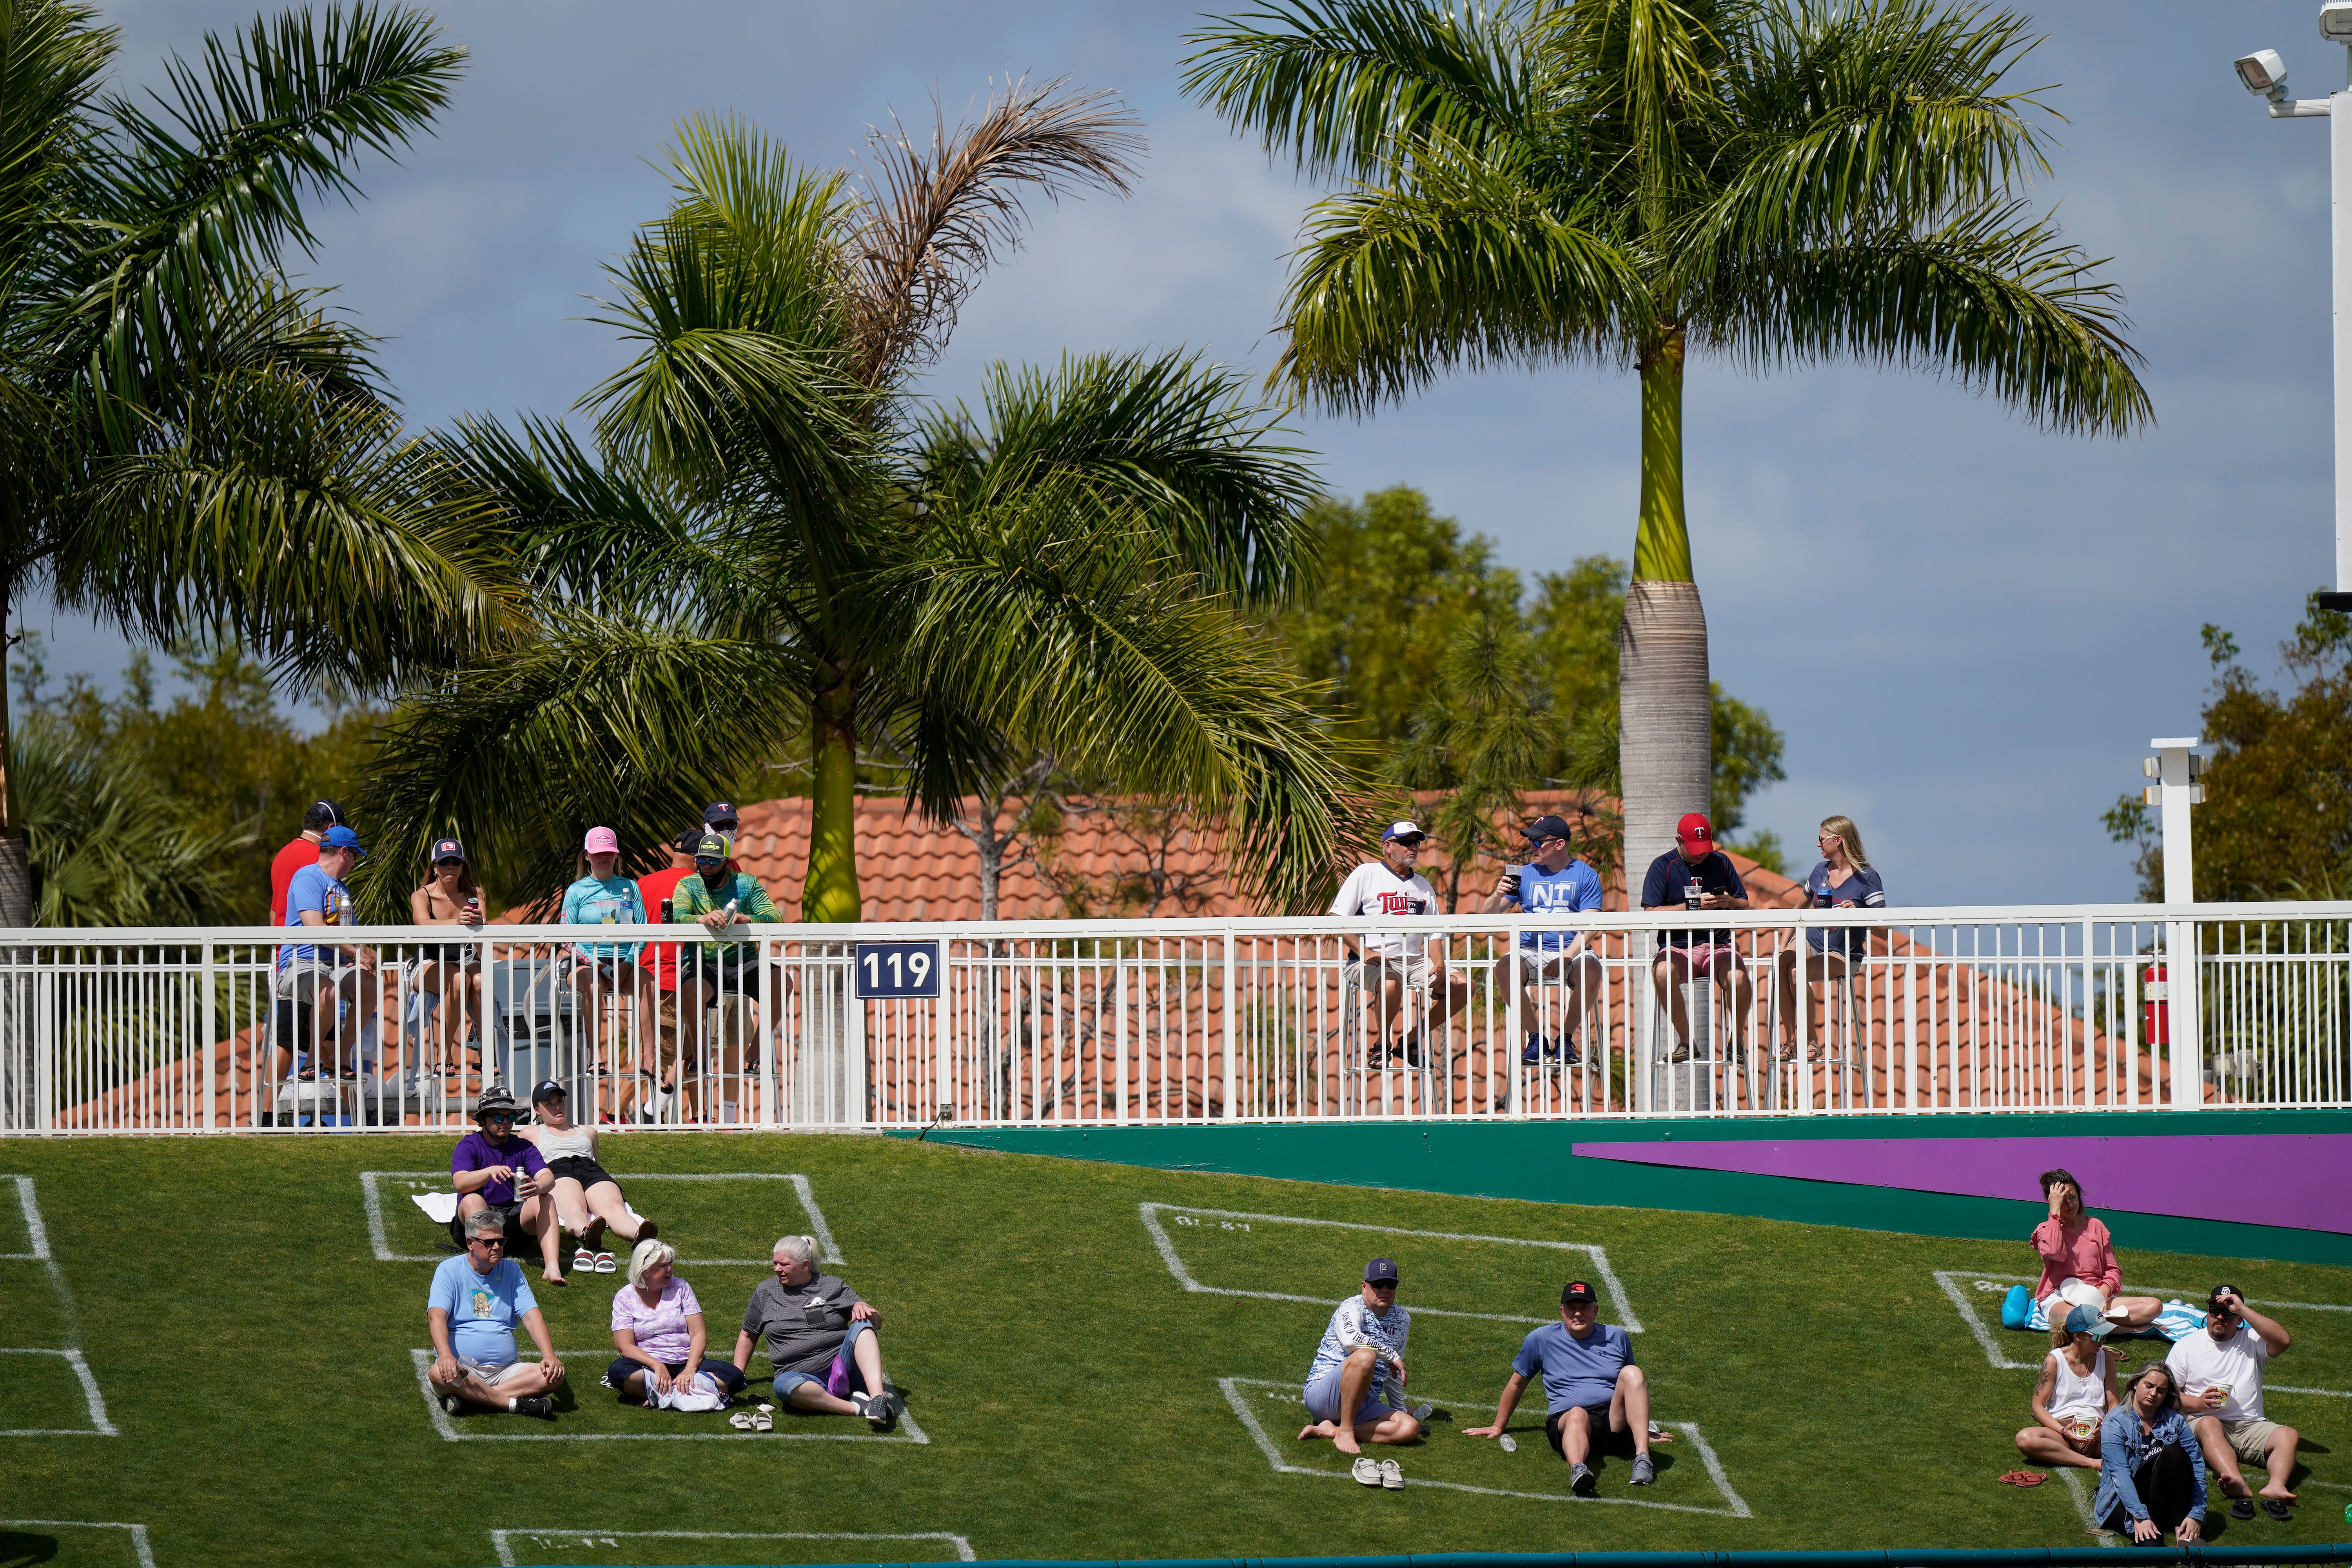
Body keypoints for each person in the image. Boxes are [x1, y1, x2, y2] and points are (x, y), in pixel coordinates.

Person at [1465, 1279, 1662, 1495]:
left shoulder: (1617, 1337)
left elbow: (1633, 1388)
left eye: (1584, 1308)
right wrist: (1498, 1426)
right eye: (1572, 1309)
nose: (1578, 1314)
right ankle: (1578, 1470)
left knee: (1633, 1372)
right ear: (1562, 1312)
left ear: (1595, 1311)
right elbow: (1517, 1383)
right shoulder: (1541, 1339)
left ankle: (1643, 1459)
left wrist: (1643, 1430)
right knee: (1578, 1414)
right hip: (1568, 1421)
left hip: (1612, 1421)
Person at [1329, 822, 1467, 1065]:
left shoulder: (1423, 885)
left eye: (1416, 843)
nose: (1413, 848)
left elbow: (1434, 934)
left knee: (1464, 985)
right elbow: (1336, 920)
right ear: (1388, 847)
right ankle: (1382, 1045)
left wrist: (1439, 964)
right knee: (1391, 982)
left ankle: (1411, 1040)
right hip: (1369, 960)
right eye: (1406, 843)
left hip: (1415, 961)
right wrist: (1365, 952)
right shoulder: (1366, 874)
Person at [731, 1235, 893, 1430]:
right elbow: (748, 1334)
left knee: (863, 1323)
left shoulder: (831, 1285)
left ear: (805, 1265)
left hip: (843, 1365)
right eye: (775, 1263)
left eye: (784, 1264)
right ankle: (857, 1408)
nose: (777, 1269)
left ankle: (877, 1400)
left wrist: (864, 1307)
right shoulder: (765, 1292)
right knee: (783, 1386)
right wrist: (737, 1376)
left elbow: (876, 1324)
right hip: (799, 1374)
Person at [1481, 815, 1606, 1066]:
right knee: (1505, 968)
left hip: (1573, 950)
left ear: (1559, 844)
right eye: (1531, 842)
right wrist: (1497, 895)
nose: (1532, 847)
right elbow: (1488, 917)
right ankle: (1537, 1039)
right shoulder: (1524, 874)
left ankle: (1566, 1040)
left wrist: (1567, 957)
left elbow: (1590, 925)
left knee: (1592, 971)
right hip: (1531, 949)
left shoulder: (1586, 874)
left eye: (1539, 842)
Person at [2169, 1284, 2299, 1519]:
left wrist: (2243, 1309)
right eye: (2214, 1311)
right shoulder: (2186, 1347)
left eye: (2228, 1313)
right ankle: (2234, 1479)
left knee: (2288, 1435)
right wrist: (2199, 1403)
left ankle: (2277, 1486)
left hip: (2249, 1425)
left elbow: (2284, 1341)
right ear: (2207, 1313)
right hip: (2202, 1422)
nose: (2220, 1317)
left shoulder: (2251, 1339)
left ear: (2239, 1319)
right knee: (2210, 1425)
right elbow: (2170, 1397)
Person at [426, 1208, 564, 1421]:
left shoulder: (512, 1270)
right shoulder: (449, 1270)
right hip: (463, 1369)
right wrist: (445, 1356)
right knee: (438, 1373)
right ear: (471, 1243)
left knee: (554, 1376)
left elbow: (531, 1316)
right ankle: (517, 1405)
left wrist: (549, 1355)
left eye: (501, 1241)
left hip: (507, 1369)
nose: (497, 1247)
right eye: (489, 1243)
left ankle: (473, 1399)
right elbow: (437, 1316)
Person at [1639, 812, 1754, 1063]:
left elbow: (1744, 904)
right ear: (1679, 841)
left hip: (1719, 944)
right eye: (1694, 848)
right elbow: (1650, 911)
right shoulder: (1663, 866)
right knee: (1662, 972)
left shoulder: (1721, 862)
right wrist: (1691, 905)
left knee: (1738, 978)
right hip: (1678, 946)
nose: (1701, 853)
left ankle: (1737, 1040)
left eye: (1704, 847)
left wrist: (1728, 902)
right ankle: (1685, 1041)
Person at [562, 826, 659, 1119]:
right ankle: (597, 1056)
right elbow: (567, 937)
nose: (603, 857)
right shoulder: (576, 891)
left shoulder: (630, 886)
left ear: (616, 856)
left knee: (649, 983)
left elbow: (640, 931)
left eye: (609, 853)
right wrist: (598, 964)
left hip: (624, 962)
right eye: (598, 853)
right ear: (587, 856)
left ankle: (649, 1056)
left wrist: (628, 963)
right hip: (585, 964)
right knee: (592, 985)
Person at [1296, 1256, 1419, 1487]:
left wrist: (1400, 1409)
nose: (1384, 1290)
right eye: (1378, 1285)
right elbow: (1353, 1342)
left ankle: (1331, 1431)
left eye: (1390, 1285)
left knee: (1410, 1428)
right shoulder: (1351, 1307)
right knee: (1365, 1356)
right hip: (1325, 1396)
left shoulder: (1402, 1318)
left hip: (1364, 1401)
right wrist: (1391, 1355)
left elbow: (1394, 1373)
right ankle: (1346, 1431)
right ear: (1364, 1286)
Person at [514, 1079, 655, 1278]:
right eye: (549, 1103)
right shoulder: (530, 1133)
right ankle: (586, 1233)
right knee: (574, 1207)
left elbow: (596, 1162)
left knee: (615, 1208)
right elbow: (524, 1165)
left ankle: (640, 1234)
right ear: (537, 1109)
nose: (557, 1106)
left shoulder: (588, 1131)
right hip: (557, 1169)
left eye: (560, 1101)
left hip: (590, 1170)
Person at [1772, 815, 1886, 1061]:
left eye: (1822, 839)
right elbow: (1798, 909)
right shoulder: (1819, 871)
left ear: (1839, 840)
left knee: (1796, 972)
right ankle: (1791, 1040)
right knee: (1781, 964)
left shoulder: (1867, 878)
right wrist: (1782, 946)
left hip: (1844, 953)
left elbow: (1885, 930)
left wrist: (1858, 914)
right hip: (1813, 942)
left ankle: (1811, 1040)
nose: (1818, 844)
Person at [672, 831, 784, 1072]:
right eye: (702, 860)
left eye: (714, 861)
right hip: (704, 962)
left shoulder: (746, 883)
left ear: (727, 862)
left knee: (782, 982)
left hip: (745, 962)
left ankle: (757, 1048)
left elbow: (776, 917)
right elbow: (677, 917)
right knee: (690, 992)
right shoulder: (687, 884)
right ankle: (699, 1049)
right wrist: (701, 918)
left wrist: (748, 919)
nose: (708, 867)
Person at [275, 824, 381, 1078]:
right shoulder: (307, 877)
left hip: (334, 968)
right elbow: (315, 929)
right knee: (327, 993)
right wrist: (357, 952)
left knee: (369, 986)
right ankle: (312, 1060)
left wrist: (368, 954)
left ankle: (341, 1054)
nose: (355, 863)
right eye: (356, 856)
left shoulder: (341, 888)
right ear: (345, 852)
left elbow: (351, 936)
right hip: (300, 964)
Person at [606, 1238, 745, 1408]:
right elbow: (624, 1346)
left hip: (685, 1361)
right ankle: (690, 1393)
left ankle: (658, 1393)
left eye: (670, 1264)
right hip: (648, 1366)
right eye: (663, 1266)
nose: (670, 1269)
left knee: (735, 1376)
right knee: (617, 1371)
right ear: (645, 1272)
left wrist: (690, 1370)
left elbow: (699, 1334)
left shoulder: (681, 1287)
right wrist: (657, 1365)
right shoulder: (625, 1297)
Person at [450, 1088, 559, 1283]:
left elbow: (548, 1177)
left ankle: (552, 1266)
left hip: (513, 1218)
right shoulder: (469, 1145)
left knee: (546, 1198)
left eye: (511, 1117)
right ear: (482, 1120)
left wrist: (538, 1186)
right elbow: (460, 1183)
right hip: (476, 1219)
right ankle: (485, 1266)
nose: (506, 1123)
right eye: (498, 1118)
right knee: (472, 1199)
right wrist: (489, 1172)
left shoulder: (523, 1147)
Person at [2031, 1169, 2161, 1330]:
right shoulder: (2046, 1229)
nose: (2070, 1204)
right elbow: (2055, 1251)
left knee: (2154, 1306)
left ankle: (2097, 1325)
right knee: (2074, 1320)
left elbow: (2113, 1270)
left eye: (2072, 1197)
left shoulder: (2096, 1226)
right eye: (2063, 1201)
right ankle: (2131, 1329)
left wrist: (2101, 1294)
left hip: (2096, 1295)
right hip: (2060, 1298)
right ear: (2053, 1202)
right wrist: (2054, 1213)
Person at [2094, 1363, 2207, 1545]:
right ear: (2135, 1384)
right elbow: (2120, 1474)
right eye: (2149, 1386)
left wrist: (2196, 1514)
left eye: (2161, 1391)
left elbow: (2196, 1465)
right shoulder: (2115, 1422)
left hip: (2160, 1496)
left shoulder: (2176, 1421)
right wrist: (2140, 1517)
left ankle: (2181, 1530)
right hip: (2122, 1498)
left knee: (2175, 1452)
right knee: (2152, 1546)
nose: (2154, 1394)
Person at [407, 837, 486, 1072]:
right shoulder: (421, 895)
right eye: (444, 862)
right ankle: (445, 1052)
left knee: (481, 982)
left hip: (467, 959)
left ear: (463, 867)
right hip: (430, 962)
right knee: (460, 980)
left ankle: (484, 1050)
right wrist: (456, 922)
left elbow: (482, 927)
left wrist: (479, 921)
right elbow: (422, 923)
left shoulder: (476, 894)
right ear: (435, 868)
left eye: (455, 861)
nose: (450, 866)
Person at [2015, 1304, 2120, 1470]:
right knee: (2026, 1438)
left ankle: (2068, 1456)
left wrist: (2104, 1427)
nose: (2104, 1340)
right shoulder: (2055, 1361)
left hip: (2097, 1433)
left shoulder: (2106, 1359)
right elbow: (2037, 1408)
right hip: (2063, 1434)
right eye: (2098, 1336)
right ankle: (2091, 1462)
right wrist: (2064, 1431)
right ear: (2078, 1335)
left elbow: (2114, 1404)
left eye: (2105, 1335)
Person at [270, 799, 345, 926]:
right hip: (309, 944)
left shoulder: (282, 853)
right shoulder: (319, 856)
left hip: (283, 943)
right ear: (331, 828)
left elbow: (274, 912)